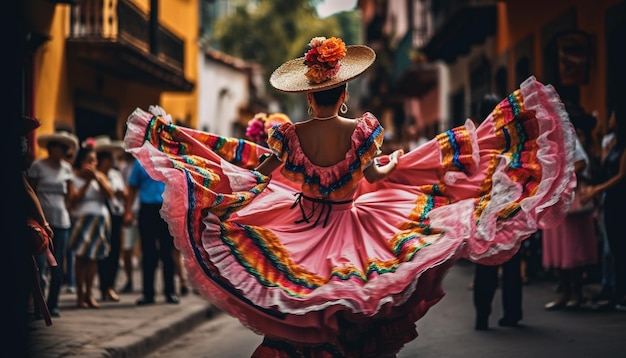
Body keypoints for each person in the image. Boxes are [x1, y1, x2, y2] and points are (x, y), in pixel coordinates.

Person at [124, 36, 576, 357]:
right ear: (342, 94)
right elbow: (376, 177)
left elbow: (260, 174)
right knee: (353, 304)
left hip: (298, 225)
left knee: (303, 300)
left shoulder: (287, 135)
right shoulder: (362, 131)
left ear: (308, 97)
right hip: (354, 225)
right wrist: (400, 163)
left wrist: (224, 185)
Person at [471, 93, 524, 330]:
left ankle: (482, 314)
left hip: (484, 207)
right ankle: (512, 313)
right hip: (511, 203)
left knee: (486, 261)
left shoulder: (475, 139)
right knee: (511, 259)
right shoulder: (511, 135)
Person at [542, 109, 598, 311]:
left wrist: (561, 173)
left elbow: (582, 162)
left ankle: (577, 292)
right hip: (554, 200)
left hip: (569, 200)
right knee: (558, 247)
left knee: (572, 245)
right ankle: (565, 292)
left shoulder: (568, 137)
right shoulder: (546, 142)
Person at [27, 130, 79, 318]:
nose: (60, 151)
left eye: (63, 148)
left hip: (62, 222)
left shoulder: (66, 168)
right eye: (57, 147)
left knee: (56, 264)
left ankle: (53, 303)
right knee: (39, 265)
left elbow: (70, 196)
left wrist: (68, 209)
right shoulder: (38, 166)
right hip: (41, 222)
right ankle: (39, 306)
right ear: (50, 148)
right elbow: (31, 191)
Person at [582, 104, 626, 310]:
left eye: (612, 117)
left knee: (618, 246)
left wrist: (596, 189)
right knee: (613, 247)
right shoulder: (614, 143)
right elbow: (603, 162)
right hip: (610, 199)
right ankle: (615, 291)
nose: (610, 120)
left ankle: (620, 292)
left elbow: (621, 176)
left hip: (620, 198)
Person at [122, 152, 179, 305]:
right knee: (148, 253)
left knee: (167, 253)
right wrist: (127, 211)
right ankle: (148, 293)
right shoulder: (140, 163)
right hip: (147, 210)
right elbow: (132, 187)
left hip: (166, 209)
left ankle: (170, 291)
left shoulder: (169, 161)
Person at [68, 141, 114, 309]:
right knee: (80, 258)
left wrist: (97, 179)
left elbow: (110, 195)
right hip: (81, 219)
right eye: (89, 160)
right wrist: (87, 181)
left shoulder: (100, 176)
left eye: (94, 160)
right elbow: (74, 200)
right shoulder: (74, 177)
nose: (93, 163)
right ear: (81, 161)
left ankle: (89, 293)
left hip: (100, 220)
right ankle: (80, 295)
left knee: (93, 258)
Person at [95, 136, 127, 302]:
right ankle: (103, 286)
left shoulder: (115, 174)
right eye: (109, 158)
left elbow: (123, 193)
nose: (112, 161)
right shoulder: (96, 175)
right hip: (101, 214)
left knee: (115, 251)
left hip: (116, 214)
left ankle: (110, 286)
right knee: (103, 253)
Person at [119, 152, 140, 293]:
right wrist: (127, 211)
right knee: (127, 247)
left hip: (147, 209)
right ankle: (129, 280)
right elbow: (126, 190)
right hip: (131, 210)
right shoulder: (125, 168)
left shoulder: (146, 164)